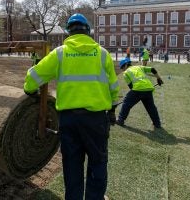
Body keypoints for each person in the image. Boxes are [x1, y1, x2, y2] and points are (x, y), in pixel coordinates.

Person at [24, 13, 119, 200]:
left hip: (69, 121)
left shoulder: (60, 53)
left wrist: (28, 88)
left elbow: (34, 76)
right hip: (96, 120)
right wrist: (113, 110)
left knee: (72, 165)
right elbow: (113, 87)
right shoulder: (102, 54)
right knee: (98, 162)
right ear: (88, 31)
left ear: (69, 32)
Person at [116, 58, 163, 129]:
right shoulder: (139, 67)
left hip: (137, 89)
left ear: (126, 65)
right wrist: (159, 78)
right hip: (148, 89)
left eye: (122, 67)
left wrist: (136, 96)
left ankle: (120, 120)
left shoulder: (126, 73)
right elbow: (153, 69)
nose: (122, 69)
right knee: (151, 107)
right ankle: (157, 124)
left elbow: (131, 87)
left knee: (126, 103)